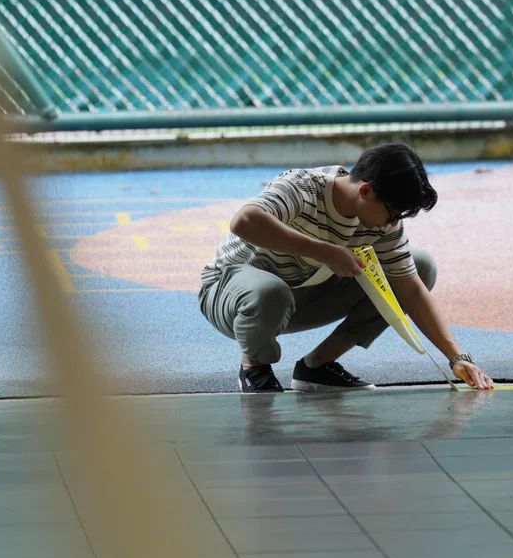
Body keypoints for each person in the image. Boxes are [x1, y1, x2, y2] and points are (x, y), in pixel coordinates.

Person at [198, 143, 494, 393]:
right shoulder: (302, 187)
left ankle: (316, 366)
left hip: (300, 295)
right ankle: (254, 367)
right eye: (392, 213)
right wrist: (325, 252)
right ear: (365, 191)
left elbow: (411, 289)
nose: (393, 223)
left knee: (421, 266)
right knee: (270, 292)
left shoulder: (382, 220)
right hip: (231, 295)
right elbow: (244, 221)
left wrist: (457, 357)